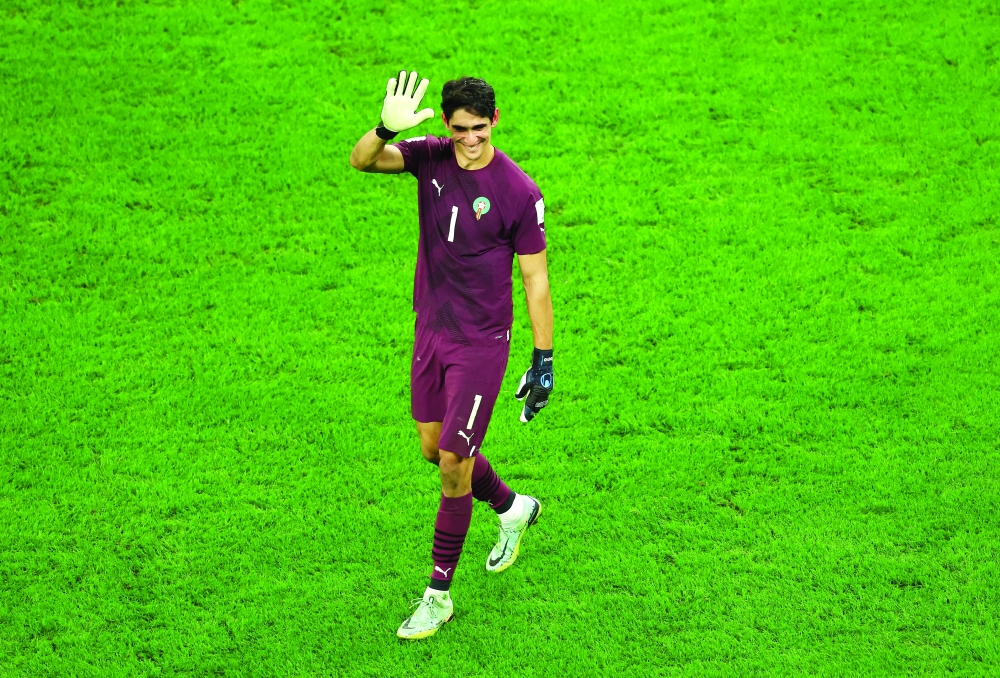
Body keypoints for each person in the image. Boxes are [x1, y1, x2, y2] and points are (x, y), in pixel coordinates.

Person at [349, 71, 555, 640]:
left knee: (452, 464)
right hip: (432, 330)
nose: (469, 139)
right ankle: (512, 508)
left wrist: (543, 359)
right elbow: (362, 160)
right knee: (433, 448)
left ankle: (437, 596)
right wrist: (385, 127)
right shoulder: (431, 156)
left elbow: (535, 280)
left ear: (495, 122)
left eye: (479, 128)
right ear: (446, 122)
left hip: (481, 343)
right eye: (460, 128)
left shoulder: (518, 191)